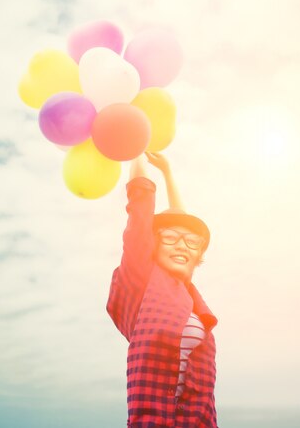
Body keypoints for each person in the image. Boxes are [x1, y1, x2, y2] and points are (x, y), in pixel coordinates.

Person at [106, 151, 219, 427]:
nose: (182, 245)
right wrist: (134, 149)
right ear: (153, 244)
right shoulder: (142, 284)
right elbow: (141, 211)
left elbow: (181, 225)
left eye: (193, 243)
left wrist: (168, 173)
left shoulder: (188, 298)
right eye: (169, 238)